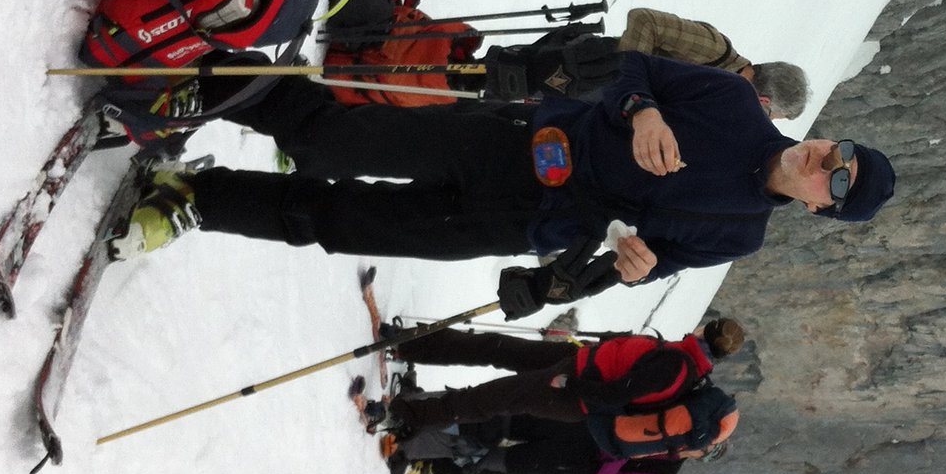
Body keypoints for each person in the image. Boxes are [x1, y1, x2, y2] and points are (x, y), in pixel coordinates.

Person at [113, 52, 896, 309]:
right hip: (517, 143)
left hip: (519, 224)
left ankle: (196, 198)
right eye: (840, 151)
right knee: (335, 139)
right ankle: (211, 81)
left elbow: (646, 261)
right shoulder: (731, 102)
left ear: (820, 211)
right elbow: (628, 66)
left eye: (837, 183)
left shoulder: (741, 233)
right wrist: (644, 111)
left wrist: (630, 269)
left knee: (343, 224)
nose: (823, 162)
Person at [366, 319, 744, 474]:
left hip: (570, 391)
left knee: (486, 400)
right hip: (575, 364)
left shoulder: (678, 367)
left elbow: (619, 393)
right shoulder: (680, 357)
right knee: (497, 351)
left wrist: (573, 387)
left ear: (705, 332)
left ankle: (402, 416)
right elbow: (626, 365)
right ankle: (411, 346)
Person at [617, 7, 811, 119]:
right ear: (764, 101)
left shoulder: (721, 101)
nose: (761, 119)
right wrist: (631, 91)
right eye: (768, 115)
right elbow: (644, 20)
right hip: (601, 78)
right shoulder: (714, 50)